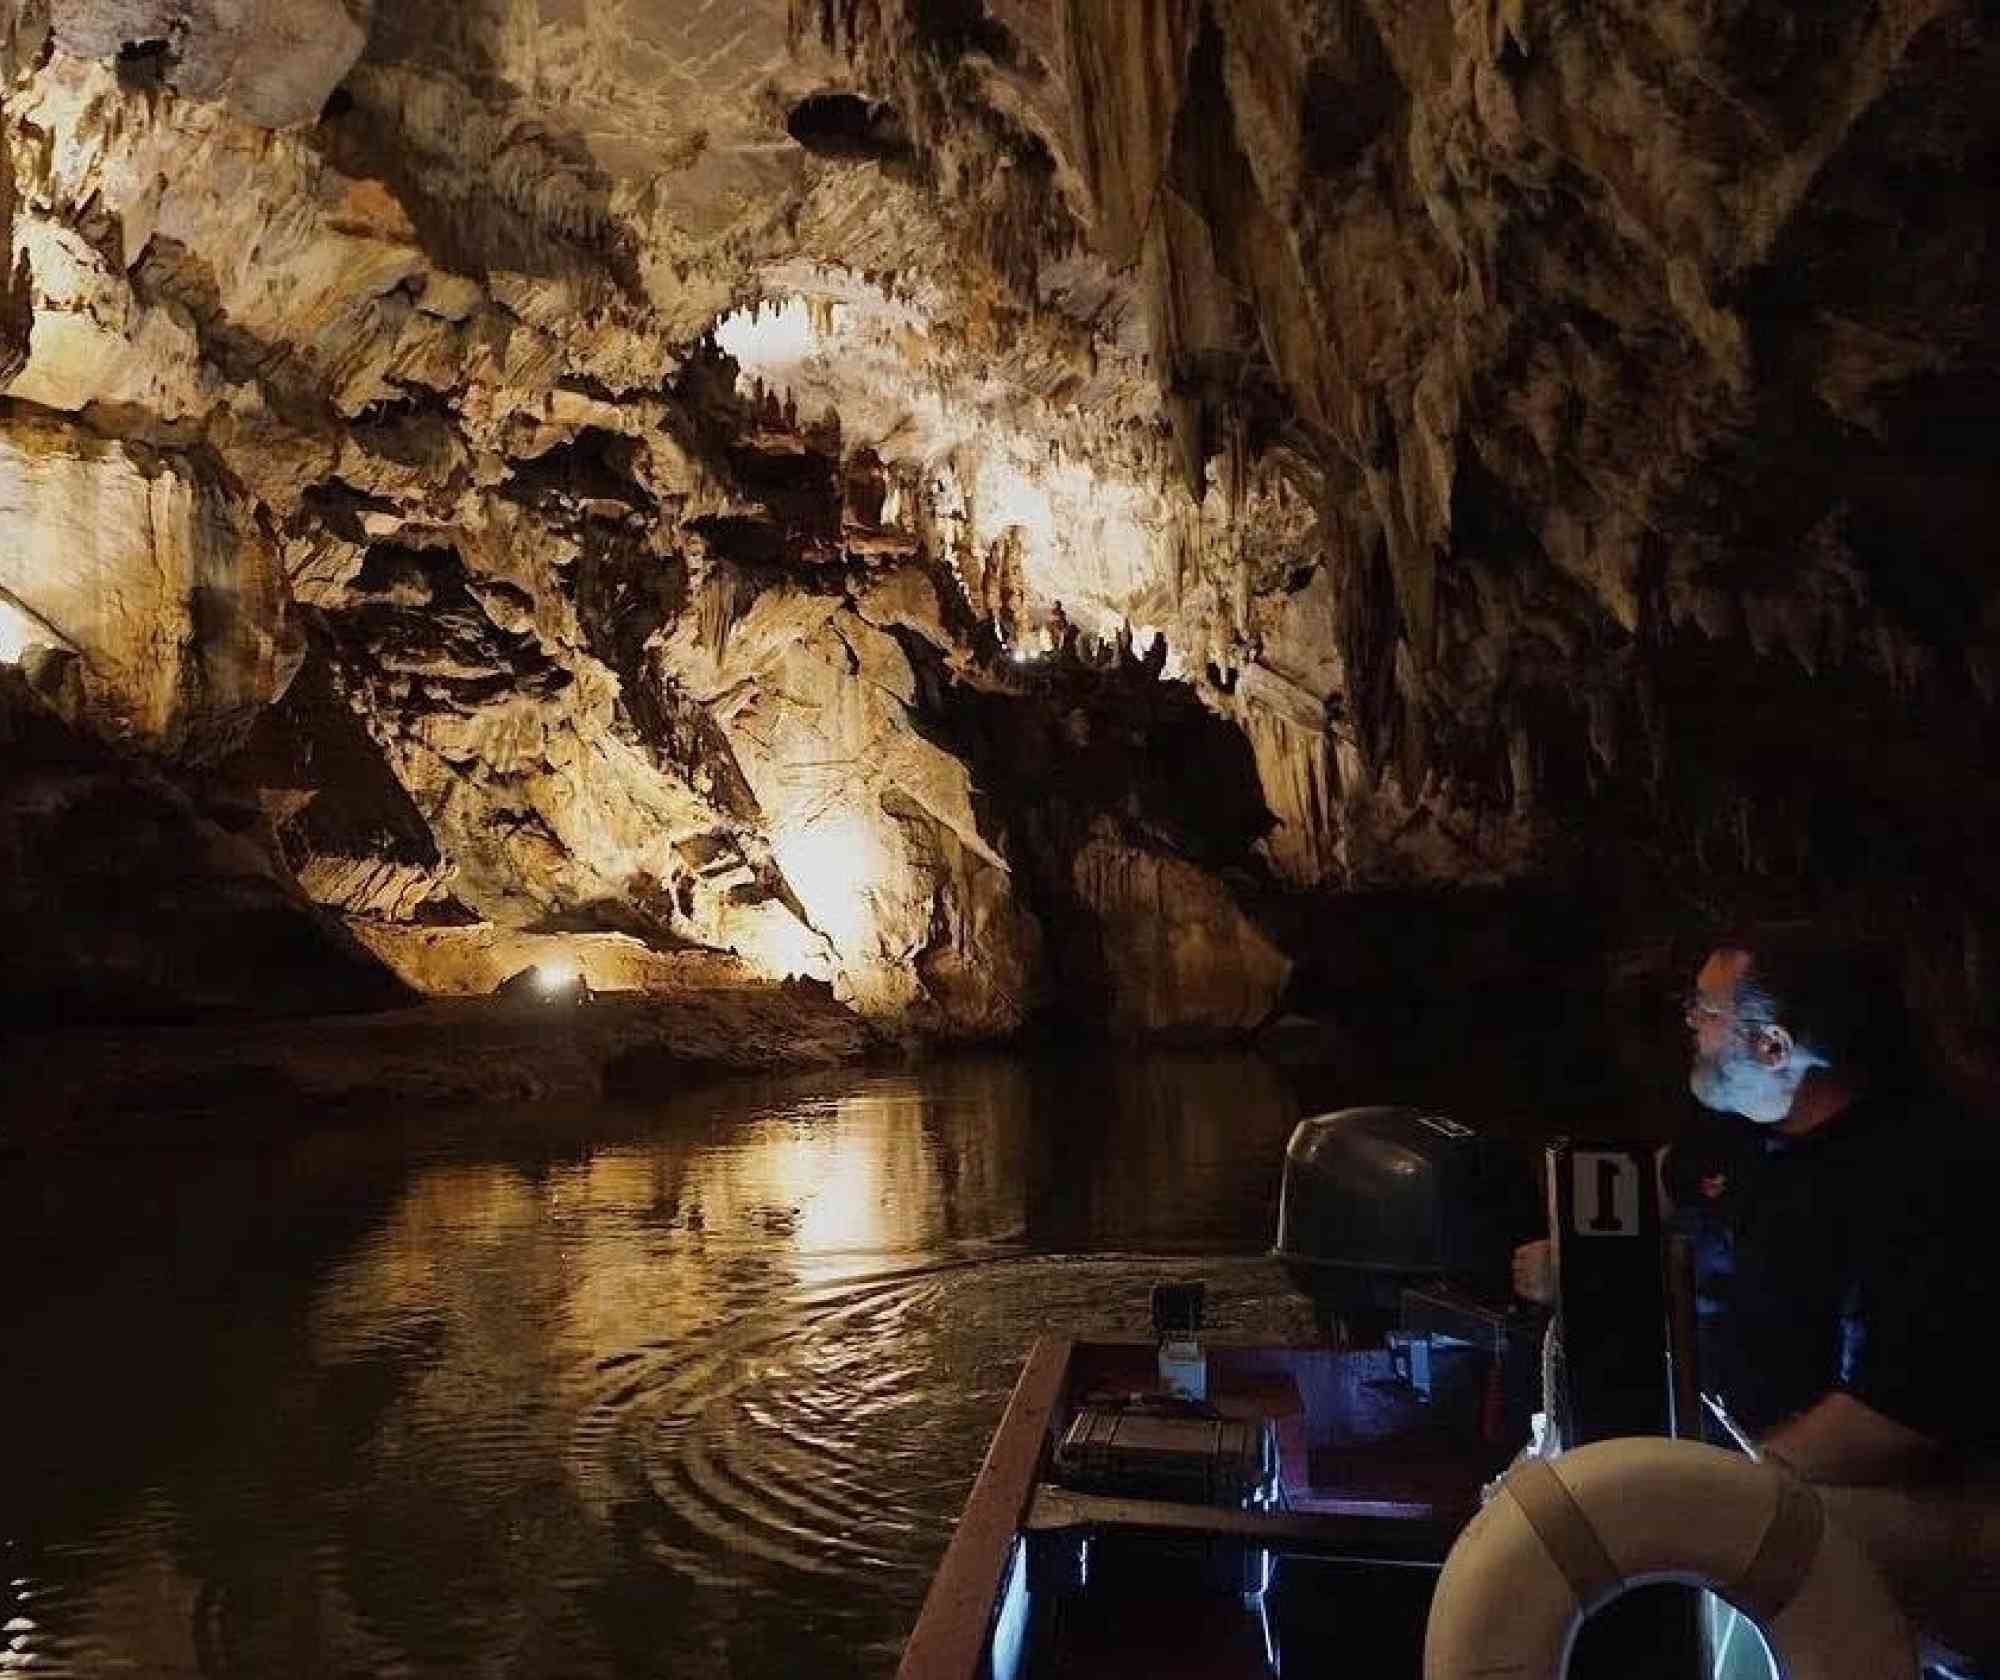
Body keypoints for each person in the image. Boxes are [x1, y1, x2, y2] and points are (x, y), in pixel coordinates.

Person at [1517, 925, 2000, 1669]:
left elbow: (1890, 1420)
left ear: (1773, 1047)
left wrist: (1705, 1487)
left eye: (1705, 1011)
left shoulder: (1919, 1180)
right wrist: (1577, 1260)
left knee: (1706, 1548)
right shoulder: (1738, 1134)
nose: (1687, 1022)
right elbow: (1649, 1192)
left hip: (1917, 1501)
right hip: (1756, 1469)